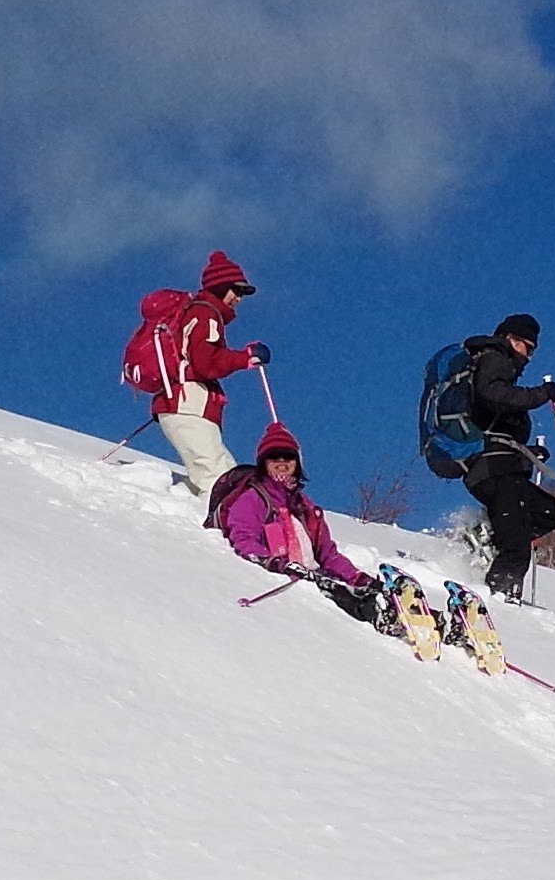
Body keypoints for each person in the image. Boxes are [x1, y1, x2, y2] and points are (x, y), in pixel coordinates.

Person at [208, 423, 383, 623]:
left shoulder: (305, 507)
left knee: (364, 594)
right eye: (274, 456)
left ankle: (402, 610)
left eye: (288, 456)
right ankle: (381, 615)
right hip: (291, 583)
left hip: (316, 576)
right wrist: (275, 562)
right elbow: (243, 538)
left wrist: (356, 577)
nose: (281, 462)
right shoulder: (253, 499)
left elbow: (328, 555)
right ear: (263, 462)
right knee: (358, 605)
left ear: (297, 463)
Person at [135, 249, 266, 499]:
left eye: (243, 293)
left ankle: (184, 509)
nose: (239, 298)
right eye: (236, 290)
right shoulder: (206, 314)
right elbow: (206, 364)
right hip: (187, 406)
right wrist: (246, 357)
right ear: (219, 286)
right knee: (219, 480)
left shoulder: (201, 313)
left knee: (226, 475)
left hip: (186, 406)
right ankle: (219, 531)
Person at [454, 312, 555, 597]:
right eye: (526, 347)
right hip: (493, 470)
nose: (529, 356)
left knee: (552, 512)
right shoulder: (494, 358)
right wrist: (540, 395)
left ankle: (482, 535)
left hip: (497, 466)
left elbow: (492, 424)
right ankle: (499, 601)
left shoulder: (492, 363)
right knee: (516, 548)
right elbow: (493, 395)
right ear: (509, 339)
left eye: (533, 350)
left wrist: (527, 453)